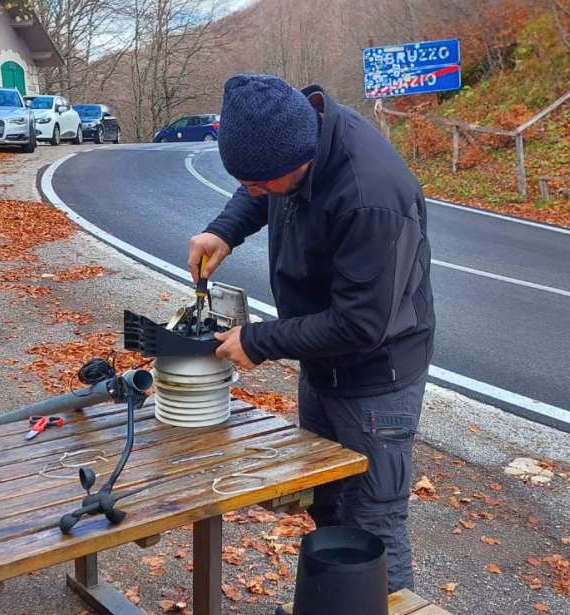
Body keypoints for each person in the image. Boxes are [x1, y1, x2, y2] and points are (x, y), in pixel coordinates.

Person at [188, 74, 435, 592]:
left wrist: (259, 341)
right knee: (327, 503)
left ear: (295, 163)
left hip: (377, 379)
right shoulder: (294, 133)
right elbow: (261, 190)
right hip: (323, 363)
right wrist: (224, 229)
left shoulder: (370, 195)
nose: (253, 191)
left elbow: (362, 323)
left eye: (259, 183)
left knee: (373, 527)